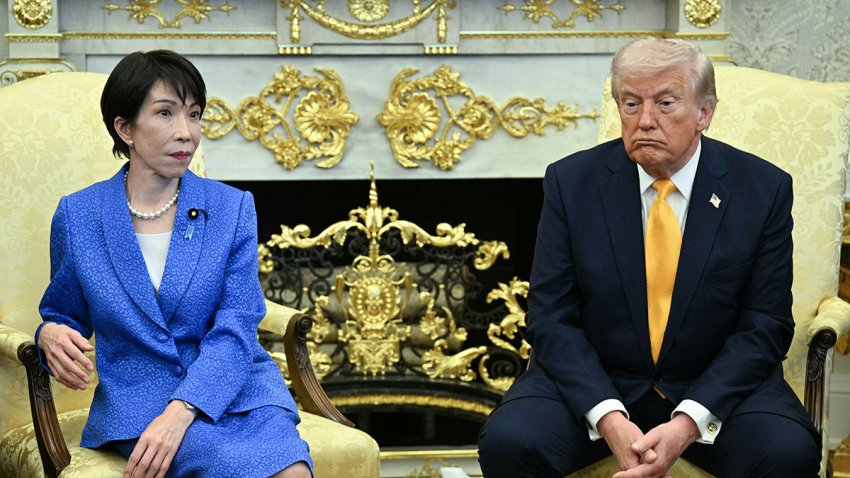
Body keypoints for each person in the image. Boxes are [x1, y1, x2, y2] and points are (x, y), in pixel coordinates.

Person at [477, 37, 821, 477]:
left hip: (713, 384)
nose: (645, 121)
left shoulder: (762, 189)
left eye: (665, 103)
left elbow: (765, 325)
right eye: (631, 104)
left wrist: (689, 421)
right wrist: (608, 417)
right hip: (599, 379)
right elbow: (551, 317)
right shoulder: (570, 183)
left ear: (704, 113)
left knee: (787, 452)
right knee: (511, 441)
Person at [35, 50, 312, 478]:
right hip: (141, 402)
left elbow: (237, 325)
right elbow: (64, 313)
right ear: (124, 128)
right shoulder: (79, 216)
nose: (186, 133)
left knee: (292, 471)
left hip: (241, 390)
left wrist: (183, 410)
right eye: (165, 113)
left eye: (194, 115)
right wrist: (50, 331)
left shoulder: (233, 208)